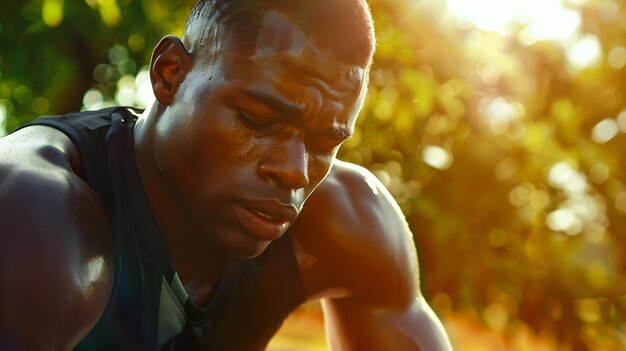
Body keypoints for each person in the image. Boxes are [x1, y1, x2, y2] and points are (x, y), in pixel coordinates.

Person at [0, 0, 453, 350]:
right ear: (170, 74)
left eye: (323, 144)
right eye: (257, 119)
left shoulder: (348, 223)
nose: (294, 172)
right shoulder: (38, 220)